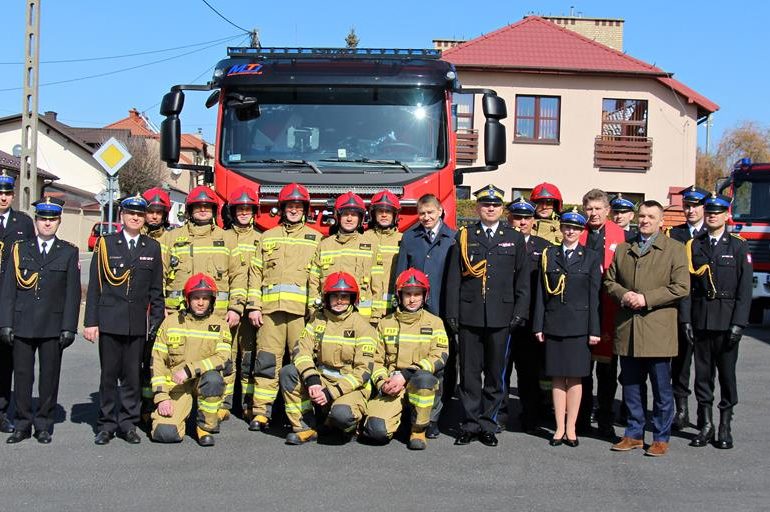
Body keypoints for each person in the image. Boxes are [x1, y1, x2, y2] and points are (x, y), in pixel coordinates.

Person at [445, 184, 530, 447]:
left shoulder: (514, 238)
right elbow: (453, 279)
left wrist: (519, 312)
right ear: (478, 208)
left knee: (495, 374)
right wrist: (452, 313)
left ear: (502, 209)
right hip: (469, 314)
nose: (490, 208)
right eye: (485, 204)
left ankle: (488, 424)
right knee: (469, 374)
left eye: (494, 205)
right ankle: (469, 424)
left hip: (501, 316)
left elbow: (522, 280)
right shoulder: (464, 236)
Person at [606, 200, 689, 457]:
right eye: (642, 216)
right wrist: (624, 294)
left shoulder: (674, 249)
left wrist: (646, 299)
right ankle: (633, 434)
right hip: (629, 329)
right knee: (631, 385)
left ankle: (661, 437)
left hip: (658, 330)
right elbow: (609, 280)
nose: (645, 220)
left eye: (651, 217)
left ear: (661, 221)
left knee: (661, 389)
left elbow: (681, 287)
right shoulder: (623, 248)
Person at [84, 194, 165, 445]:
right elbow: (96, 286)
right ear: (122, 216)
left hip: (136, 324)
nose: (135, 218)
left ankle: (128, 423)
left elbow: (155, 290)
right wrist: (90, 322)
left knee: (131, 376)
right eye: (131, 213)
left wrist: (156, 320)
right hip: (110, 320)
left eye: (140, 215)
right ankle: (106, 424)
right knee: (108, 375)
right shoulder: (106, 244)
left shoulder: (151, 247)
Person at [164, 185, 248, 421]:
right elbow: (159, 275)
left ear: (214, 210)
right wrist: (162, 308)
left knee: (223, 360)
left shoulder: (227, 239)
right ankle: (178, 401)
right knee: (175, 357)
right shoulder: (172, 238)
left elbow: (238, 276)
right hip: (179, 316)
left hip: (219, 316)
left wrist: (235, 307)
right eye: (198, 206)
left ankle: (219, 406)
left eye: (207, 206)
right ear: (190, 210)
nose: (202, 210)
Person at [0, 198, 79, 444]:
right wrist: (5, 322)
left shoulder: (68, 251)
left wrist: (69, 327)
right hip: (22, 323)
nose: (47, 223)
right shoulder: (20, 249)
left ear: (58, 222)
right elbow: (9, 289)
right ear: (35, 221)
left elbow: (72, 293)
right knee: (22, 377)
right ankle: (22, 424)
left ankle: (44, 424)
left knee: (49, 376)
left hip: (52, 326)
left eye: (52, 219)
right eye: (43, 219)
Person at [245, 183, 320, 432]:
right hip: (269, 313)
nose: (294, 210)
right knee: (266, 362)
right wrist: (254, 307)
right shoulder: (267, 237)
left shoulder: (316, 239)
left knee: (300, 363)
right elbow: (255, 275)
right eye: (290, 206)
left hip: (301, 315)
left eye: (298, 206)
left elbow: (317, 279)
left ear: (305, 209)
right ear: (282, 208)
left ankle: (299, 416)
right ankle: (261, 413)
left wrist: (315, 314)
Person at [679, 193, 752, 450]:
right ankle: (706, 425)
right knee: (703, 376)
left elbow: (745, 290)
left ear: (725, 216)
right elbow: (687, 287)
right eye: (709, 211)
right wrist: (686, 319)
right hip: (701, 320)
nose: (712, 215)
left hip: (727, 321)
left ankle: (725, 424)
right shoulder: (694, 245)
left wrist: (739, 324)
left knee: (727, 376)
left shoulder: (738, 246)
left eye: (717, 212)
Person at [279, 272, 376, 445]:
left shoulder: (363, 327)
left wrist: (331, 392)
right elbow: (301, 350)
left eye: (344, 297)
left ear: (353, 299)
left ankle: (347, 427)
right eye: (335, 296)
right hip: (322, 382)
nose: (339, 301)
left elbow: (363, 372)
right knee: (289, 372)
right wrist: (312, 379)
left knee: (342, 415)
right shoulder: (317, 320)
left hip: (351, 388)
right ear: (326, 298)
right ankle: (305, 427)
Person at [533, 209, 602, 447]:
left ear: (582, 231)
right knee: (556, 378)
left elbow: (595, 297)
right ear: (560, 229)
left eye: (575, 228)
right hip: (554, 323)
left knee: (575, 379)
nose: (570, 231)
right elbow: (541, 294)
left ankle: (571, 427)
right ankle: (558, 427)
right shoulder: (549, 254)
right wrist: (538, 324)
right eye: (566, 227)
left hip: (579, 326)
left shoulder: (591, 257)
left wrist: (595, 330)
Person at [362, 268, 448, 450]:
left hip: (418, 382)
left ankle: (419, 430)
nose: (412, 299)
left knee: (424, 379)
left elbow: (440, 355)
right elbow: (375, 359)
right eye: (407, 294)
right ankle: (399, 421)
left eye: (417, 294)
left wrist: (407, 374)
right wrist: (381, 383)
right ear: (399, 296)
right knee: (375, 431)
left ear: (425, 296)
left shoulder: (435, 323)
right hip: (392, 384)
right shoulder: (385, 323)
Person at [394, 193, 455, 438]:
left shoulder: (453, 238)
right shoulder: (410, 238)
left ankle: (437, 416)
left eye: (431, 212)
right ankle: (413, 412)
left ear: (440, 211)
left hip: (443, 310)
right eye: (422, 213)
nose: (426, 217)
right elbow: (400, 274)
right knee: (414, 361)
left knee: (443, 365)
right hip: (415, 311)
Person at [150, 273, 233, 447]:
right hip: (177, 386)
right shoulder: (170, 323)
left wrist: (189, 370)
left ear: (212, 301)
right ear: (187, 299)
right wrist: (161, 397)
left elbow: (223, 357)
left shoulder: (220, 325)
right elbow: (157, 362)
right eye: (196, 298)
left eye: (205, 298)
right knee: (165, 434)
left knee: (213, 379)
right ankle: (180, 414)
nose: (201, 303)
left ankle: (205, 427)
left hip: (202, 381)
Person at [577, 188, 628, 439]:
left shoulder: (624, 237)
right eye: (589, 209)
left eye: (598, 209)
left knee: (607, 373)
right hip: (583, 310)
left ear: (608, 211)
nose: (593, 213)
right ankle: (582, 418)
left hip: (610, 309)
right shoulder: (578, 233)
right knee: (582, 370)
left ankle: (606, 420)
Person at [501, 197, 553, 433]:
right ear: (508, 218)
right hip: (501, 316)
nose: (521, 222)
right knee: (500, 368)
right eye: (517, 217)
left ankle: (530, 414)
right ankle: (499, 414)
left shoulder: (543, 247)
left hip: (530, 318)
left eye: (526, 218)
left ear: (533, 221)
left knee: (529, 370)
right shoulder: (499, 241)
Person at [668, 185, 708, 430]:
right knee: (680, 362)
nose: (690, 210)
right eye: (687, 205)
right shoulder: (675, 234)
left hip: (704, 307)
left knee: (704, 364)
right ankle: (680, 410)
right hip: (680, 307)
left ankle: (704, 413)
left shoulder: (712, 232)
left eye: (695, 205)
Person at [0, 169, 34, 434]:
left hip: (10, 300)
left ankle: (2, 411)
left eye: (7, 193)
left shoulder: (23, 223)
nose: (3, 198)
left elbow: (32, 261)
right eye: (0, 193)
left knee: (5, 360)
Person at [308, 192, 377, 319]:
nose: (349, 219)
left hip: (360, 316)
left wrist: (376, 315)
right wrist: (313, 310)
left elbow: (377, 283)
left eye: (354, 215)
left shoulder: (371, 245)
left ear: (361, 218)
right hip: (328, 314)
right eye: (345, 214)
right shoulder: (324, 245)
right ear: (338, 217)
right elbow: (314, 281)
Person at [225, 186, 262, 421]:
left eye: (248, 209)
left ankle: (248, 404)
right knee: (226, 359)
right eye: (240, 209)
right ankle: (223, 404)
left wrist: (252, 306)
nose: (244, 213)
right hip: (226, 310)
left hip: (250, 312)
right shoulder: (221, 237)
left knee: (249, 358)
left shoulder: (262, 239)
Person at [140, 186, 173, 421]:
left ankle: (158, 401)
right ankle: (142, 404)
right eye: (150, 211)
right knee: (138, 358)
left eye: (159, 212)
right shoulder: (135, 236)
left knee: (158, 357)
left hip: (163, 306)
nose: (154, 216)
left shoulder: (173, 239)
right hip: (139, 306)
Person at [363, 190, 403, 325]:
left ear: (395, 215)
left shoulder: (403, 240)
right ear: (373, 214)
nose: (384, 215)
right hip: (365, 311)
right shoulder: (362, 238)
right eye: (380, 211)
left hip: (392, 311)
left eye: (388, 211)